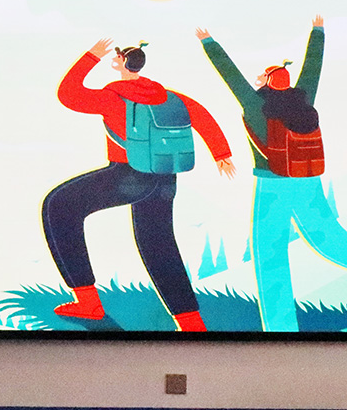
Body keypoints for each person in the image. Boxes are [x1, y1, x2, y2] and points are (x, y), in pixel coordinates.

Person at [41, 38, 235, 331]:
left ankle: (88, 302)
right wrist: (221, 154)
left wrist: (91, 56)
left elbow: (68, 94)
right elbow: (201, 116)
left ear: (120, 62)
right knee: (158, 244)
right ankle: (191, 323)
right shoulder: (168, 96)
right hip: (165, 175)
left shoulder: (112, 96)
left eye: (117, 57)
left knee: (59, 206)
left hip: (128, 175)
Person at [198, 16, 347, 331]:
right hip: (308, 179)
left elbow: (230, 74)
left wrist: (208, 42)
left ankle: (281, 329)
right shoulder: (303, 98)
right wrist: (317, 31)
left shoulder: (255, 104)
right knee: (332, 241)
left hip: (272, 186)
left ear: (267, 82)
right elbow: (313, 67)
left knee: (270, 259)